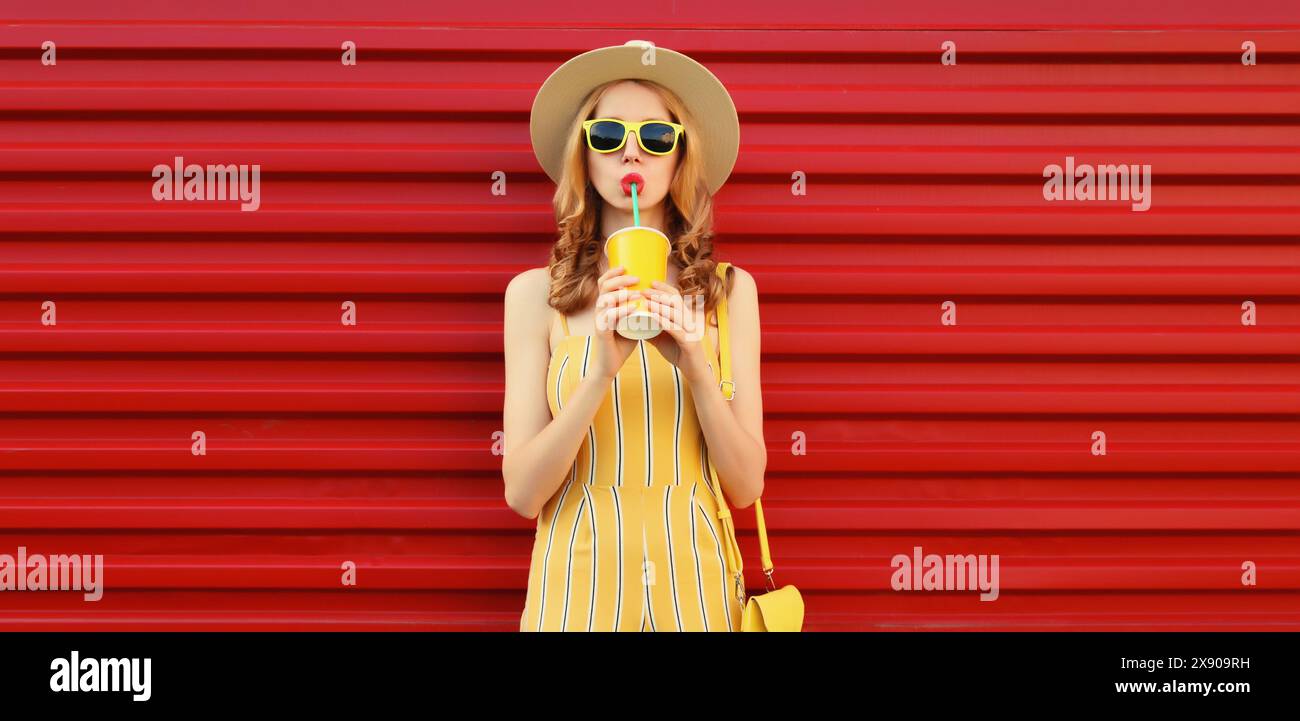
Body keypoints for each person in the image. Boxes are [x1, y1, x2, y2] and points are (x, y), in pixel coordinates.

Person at [502, 42, 765, 631]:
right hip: (574, 593)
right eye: (607, 135)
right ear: (585, 155)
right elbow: (521, 494)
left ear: (679, 157)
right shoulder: (532, 295)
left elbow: (746, 486)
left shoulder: (728, 291)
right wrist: (596, 374)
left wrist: (698, 366)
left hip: (698, 590)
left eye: (656, 137)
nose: (631, 151)